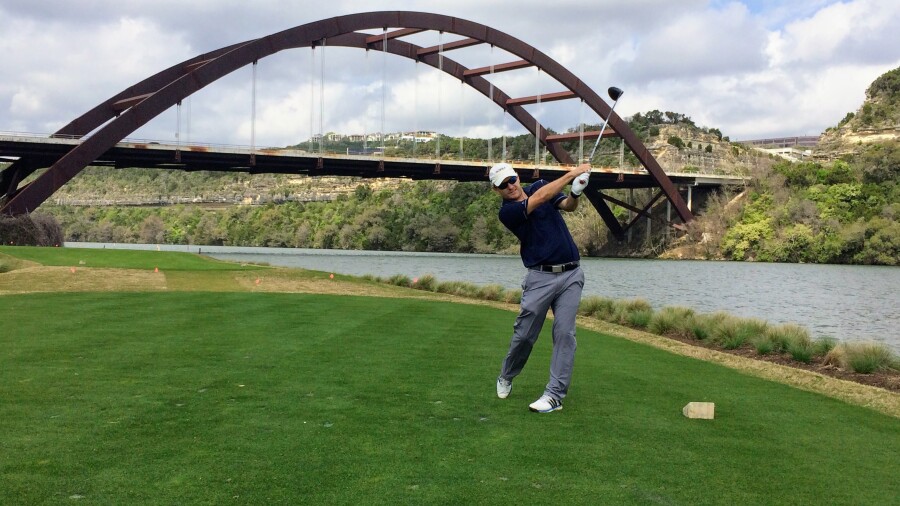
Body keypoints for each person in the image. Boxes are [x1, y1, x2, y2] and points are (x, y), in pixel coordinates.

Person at [490, 162, 591, 413]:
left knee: (565, 334)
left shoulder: (540, 185)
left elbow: (567, 206)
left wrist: (576, 192)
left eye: (511, 180)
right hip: (540, 278)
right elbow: (539, 199)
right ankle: (506, 375)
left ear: (517, 176)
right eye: (503, 185)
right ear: (496, 190)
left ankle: (554, 395)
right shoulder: (508, 212)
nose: (510, 186)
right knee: (525, 334)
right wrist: (571, 174)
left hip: (571, 274)